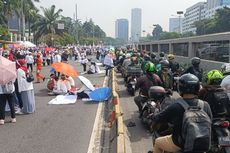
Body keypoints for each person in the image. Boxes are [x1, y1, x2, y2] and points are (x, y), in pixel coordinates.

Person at [149, 73, 212, 153]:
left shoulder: (175, 106)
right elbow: (210, 122)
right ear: (197, 88)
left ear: (180, 88)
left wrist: (153, 116)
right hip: (203, 145)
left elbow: (159, 118)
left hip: (179, 144)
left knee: (158, 142)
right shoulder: (205, 105)